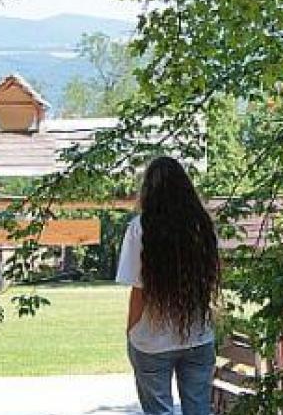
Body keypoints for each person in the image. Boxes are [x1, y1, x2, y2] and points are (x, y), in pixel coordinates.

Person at [116, 156, 220, 415]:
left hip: (152, 340)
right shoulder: (202, 227)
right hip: (198, 336)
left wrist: (131, 332)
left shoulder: (140, 228)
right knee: (199, 410)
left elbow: (138, 290)